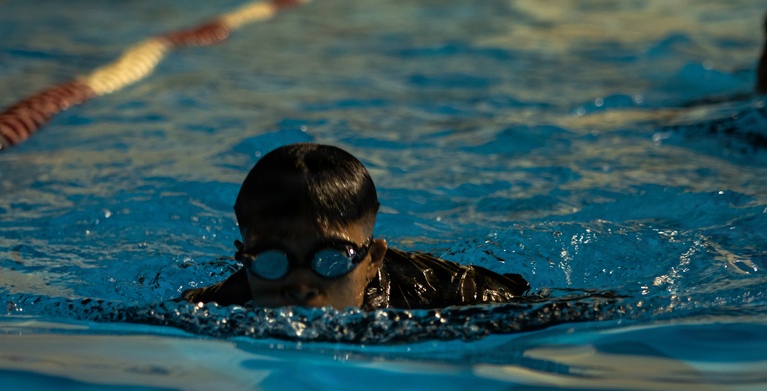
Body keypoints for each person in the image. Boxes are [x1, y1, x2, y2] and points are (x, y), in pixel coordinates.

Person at [180, 143, 529, 309]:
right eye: (274, 260)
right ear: (245, 259)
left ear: (373, 259)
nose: (301, 286)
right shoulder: (215, 306)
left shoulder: (460, 294)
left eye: (330, 259)